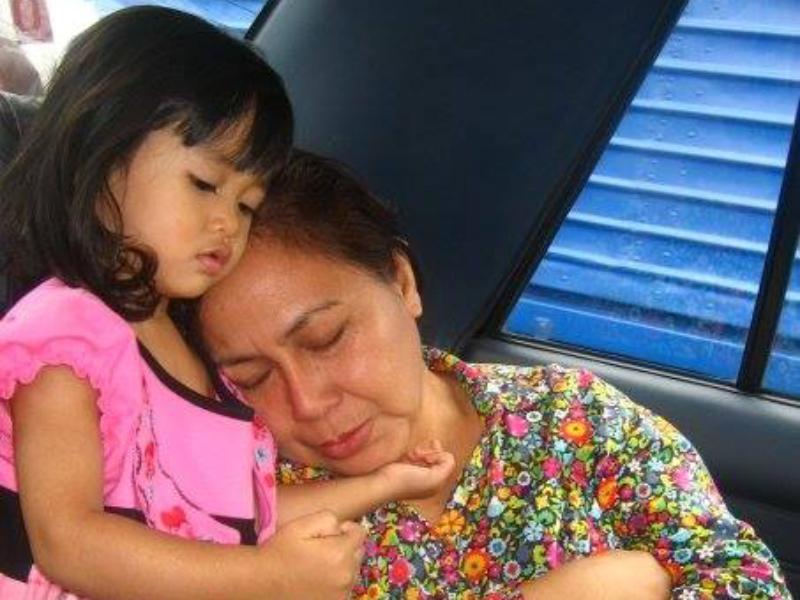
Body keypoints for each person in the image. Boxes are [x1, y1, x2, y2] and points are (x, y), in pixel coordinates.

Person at [0, 8, 453, 600]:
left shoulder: (189, 349)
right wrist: (269, 579)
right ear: (100, 155)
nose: (226, 224)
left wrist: (386, 483)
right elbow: (68, 543)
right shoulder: (68, 334)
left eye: (245, 205)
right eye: (205, 185)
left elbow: (236, 516)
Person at [199, 149, 792, 600]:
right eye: (252, 377)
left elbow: (745, 579)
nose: (307, 403)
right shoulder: (230, 506)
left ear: (401, 282)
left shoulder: (572, 420)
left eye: (327, 339)